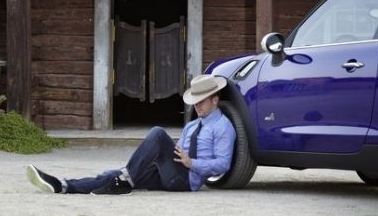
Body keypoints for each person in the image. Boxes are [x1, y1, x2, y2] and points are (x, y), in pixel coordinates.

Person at [25, 74, 235, 195]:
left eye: (201, 101)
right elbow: (177, 150)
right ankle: (62, 185)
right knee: (111, 175)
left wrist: (192, 163)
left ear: (215, 100)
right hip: (170, 172)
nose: (197, 106)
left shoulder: (223, 127)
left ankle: (125, 179)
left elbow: (223, 164)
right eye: (195, 102)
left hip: (187, 180)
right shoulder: (192, 126)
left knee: (158, 134)